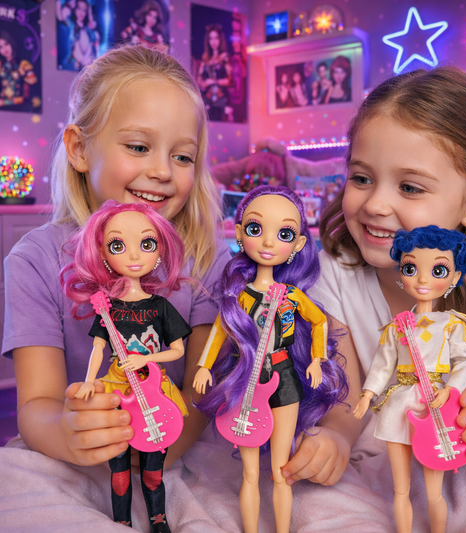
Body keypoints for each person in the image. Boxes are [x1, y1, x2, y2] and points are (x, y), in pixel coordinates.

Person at [1, 45, 230, 529]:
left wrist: (156, 443)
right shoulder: (34, 260)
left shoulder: (208, 260)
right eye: (139, 147)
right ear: (80, 149)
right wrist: (71, 433)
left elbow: (199, 390)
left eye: (182, 156)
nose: (163, 170)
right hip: (70, 459)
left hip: (174, 449)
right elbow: (37, 405)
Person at [309, 66, 466, 517]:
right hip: (381, 427)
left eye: (409, 187)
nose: (375, 204)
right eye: (361, 178)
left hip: (458, 426)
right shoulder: (335, 270)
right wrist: (335, 436)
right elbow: (347, 393)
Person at [193, 186, 350, 533]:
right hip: (246, 378)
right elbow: (219, 330)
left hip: (284, 376)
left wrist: (317, 359)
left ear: (298, 244)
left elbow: (320, 322)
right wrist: (204, 366)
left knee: (281, 470)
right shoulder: (240, 296)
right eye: (255, 228)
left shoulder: (292, 296)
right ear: (239, 233)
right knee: (249, 472)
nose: (267, 242)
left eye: (284, 234)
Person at [61, 201, 193, 532]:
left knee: (153, 468)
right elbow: (98, 347)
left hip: (154, 389)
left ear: (160, 251)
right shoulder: (108, 309)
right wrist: (89, 380)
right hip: (118, 388)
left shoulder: (160, 306)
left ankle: (158, 519)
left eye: (146, 243)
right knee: (118, 470)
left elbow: (177, 350)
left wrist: (146, 358)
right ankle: (121, 520)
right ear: (103, 255)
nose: (134, 255)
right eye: (118, 245)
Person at [354, 226, 466, 533]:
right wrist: (368, 394)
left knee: (435, 490)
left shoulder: (451, 324)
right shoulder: (397, 327)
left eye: (438, 270)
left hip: (435, 403)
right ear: (401, 273)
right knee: (401, 488)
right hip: (400, 404)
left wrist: (452, 389)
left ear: (455, 278)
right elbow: (383, 364)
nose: (422, 280)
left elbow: (465, 361)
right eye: (411, 269)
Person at [196, 23, 233, 122]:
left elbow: (230, 80)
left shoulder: (224, 57)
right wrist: (203, 83)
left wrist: (213, 81)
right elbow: (199, 79)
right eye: (211, 38)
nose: (214, 41)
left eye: (216, 38)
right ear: (208, 40)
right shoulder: (205, 58)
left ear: (220, 39)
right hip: (208, 101)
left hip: (222, 100)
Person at [0, 30, 37, 108]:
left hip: (20, 108)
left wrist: (5, 102)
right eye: (0, 47)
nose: (5, 49)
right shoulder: (1, 65)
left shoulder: (23, 64)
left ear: (11, 43)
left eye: (6, 44)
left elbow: (28, 96)